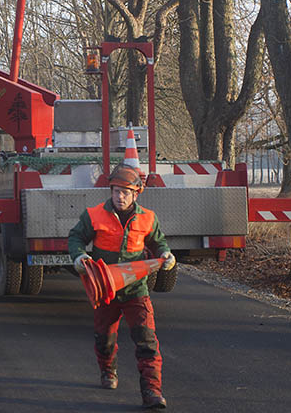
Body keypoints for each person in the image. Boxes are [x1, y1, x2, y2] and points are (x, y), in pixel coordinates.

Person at [68, 164, 176, 409]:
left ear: (136, 193)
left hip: (136, 290)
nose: (120, 196)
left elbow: (158, 243)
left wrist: (166, 255)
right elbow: (75, 238)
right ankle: (108, 371)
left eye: (125, 192)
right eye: (116, 191)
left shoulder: (147, 218)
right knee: (104, 338)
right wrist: (78, 256)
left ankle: (152, 391)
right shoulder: (94, 214)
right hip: (105, 289)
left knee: (146, 340)